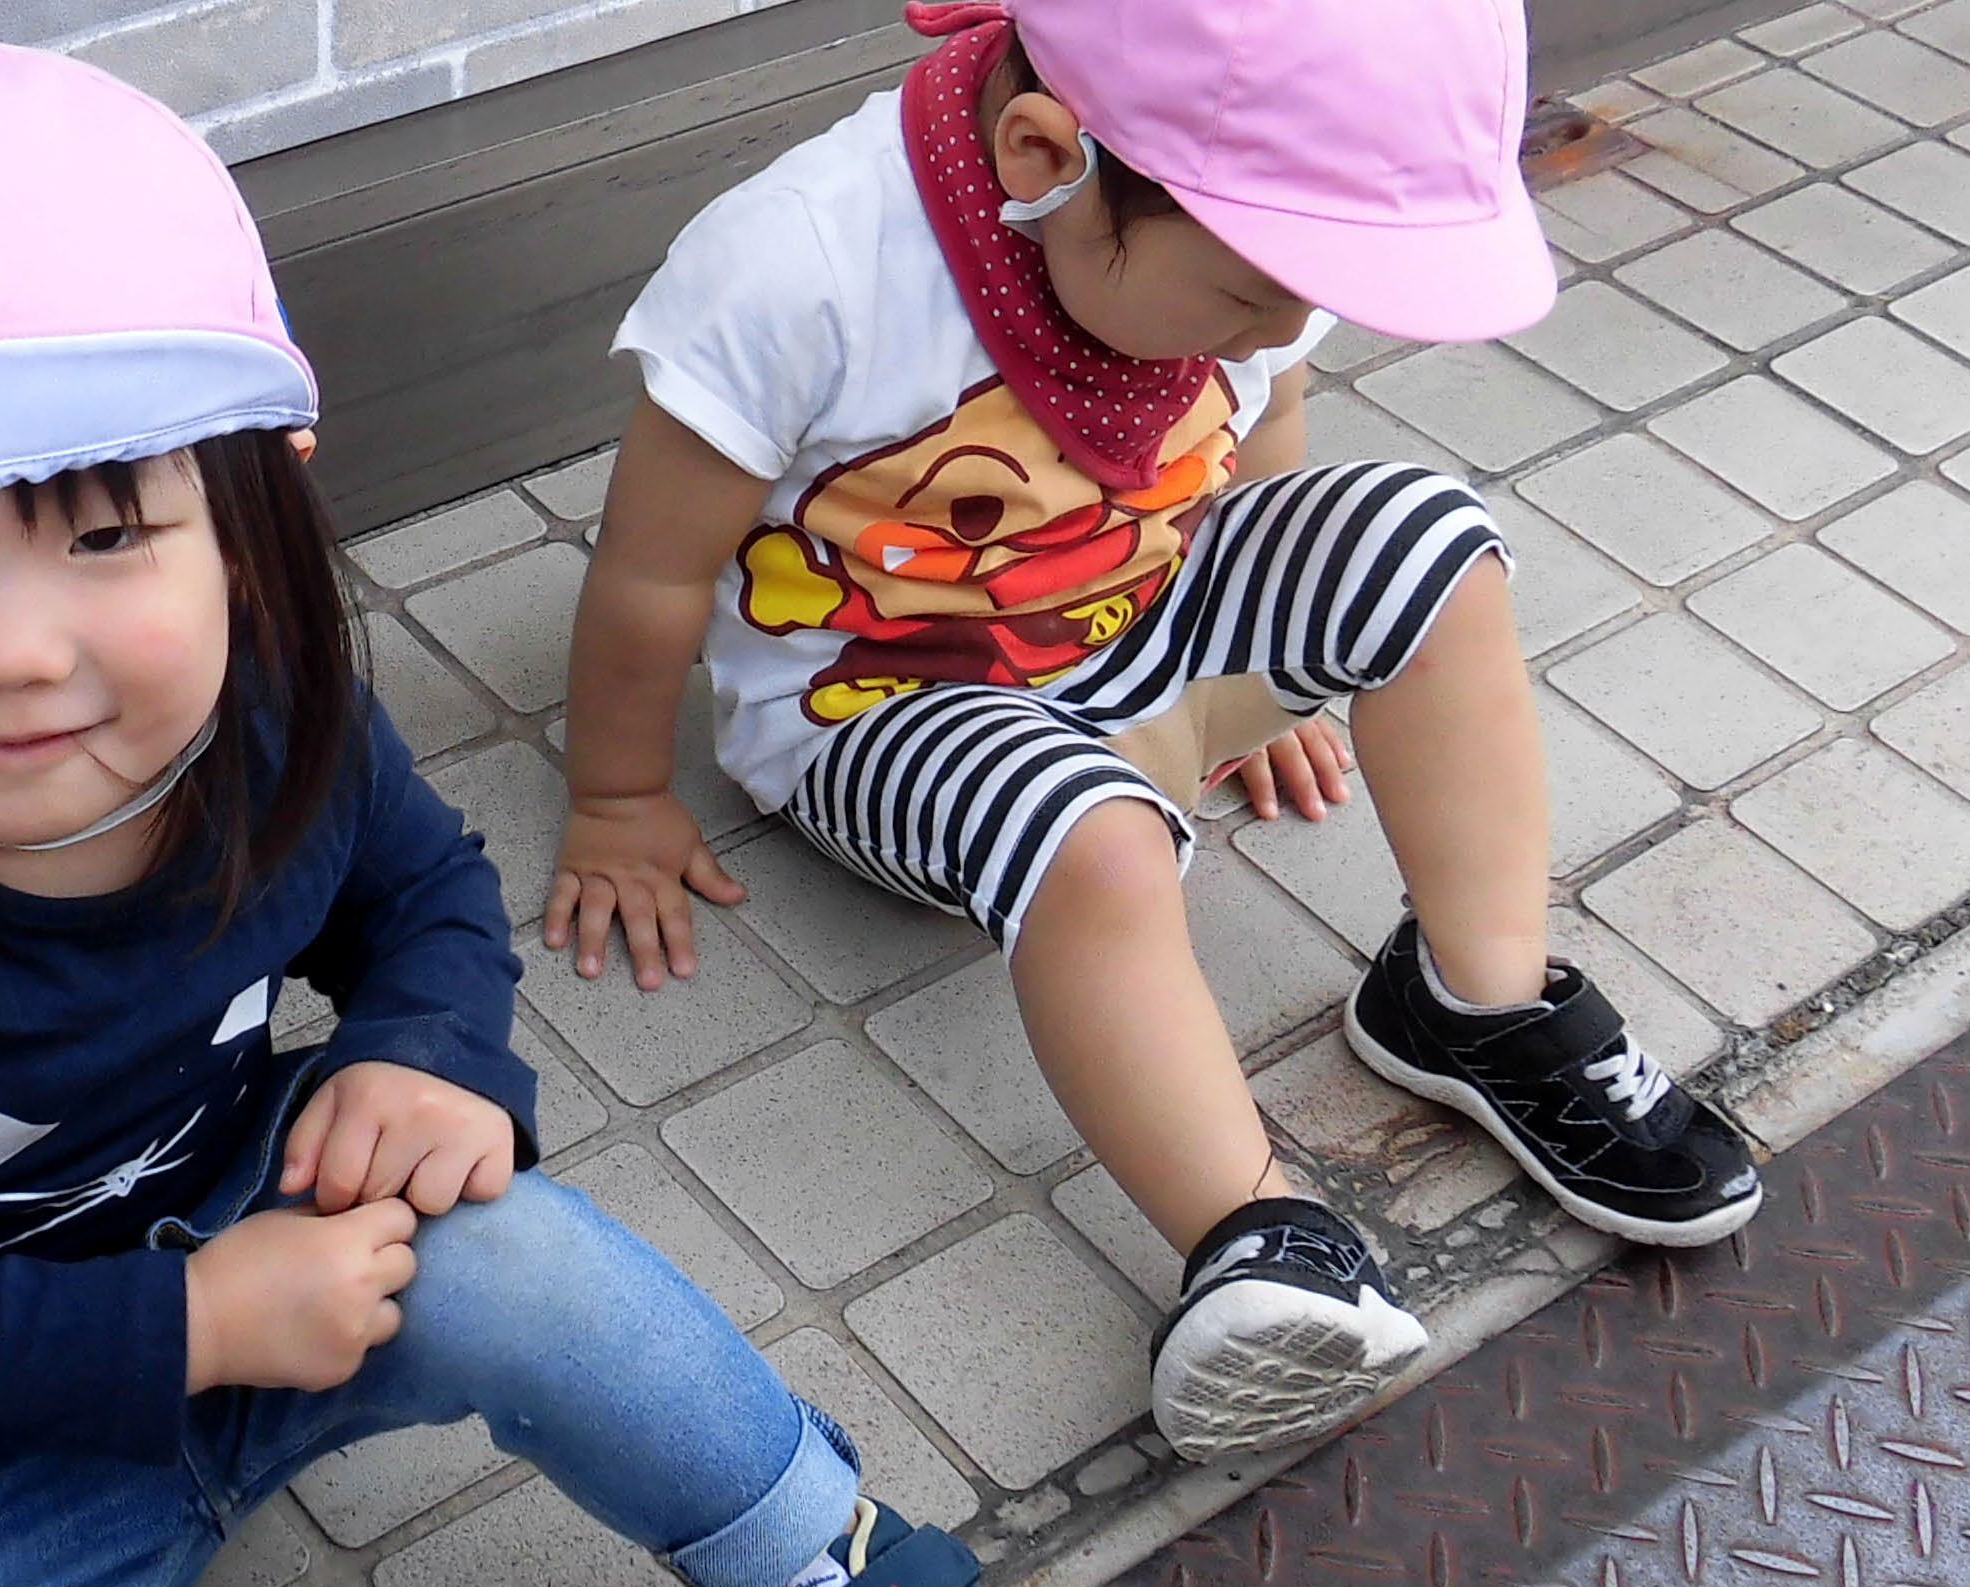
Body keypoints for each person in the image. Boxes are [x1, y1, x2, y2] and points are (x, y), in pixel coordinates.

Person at [0, 42, 1123, 1587]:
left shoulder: (272, 717)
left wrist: (430, 1053)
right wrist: (196, 1323)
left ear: (258, 515)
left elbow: (423, 891)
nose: (14, 654)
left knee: (542, 1269)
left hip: (287, 1234)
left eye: (107, 533)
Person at [546, 0, 1765, 1464]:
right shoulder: (803, 262)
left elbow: (1261, 438)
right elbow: (652, 574)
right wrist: (618, 797)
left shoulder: (1245, 233)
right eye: (1249, 298)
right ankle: (1256, 1235)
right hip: (886, 705)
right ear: (1044, 155)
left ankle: (1477, 999)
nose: (1282, 329)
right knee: (1098, 838)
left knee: (1429, 536)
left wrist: (1270, 669)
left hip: (1139, 611)